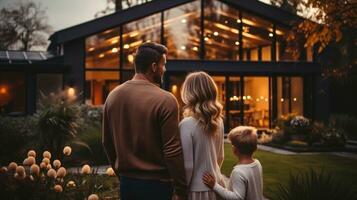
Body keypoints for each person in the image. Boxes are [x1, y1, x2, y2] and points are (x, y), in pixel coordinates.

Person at [102, 42, 187, 200]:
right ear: (154, 67)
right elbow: (172, 151)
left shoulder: (113, 96)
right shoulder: (166, 100)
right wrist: (182, 190)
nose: (165, 70)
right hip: (159, 187)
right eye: (164, 65)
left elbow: (107, 142)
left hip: (127, 185)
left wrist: (122, 175)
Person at [179, 71, 225, 200]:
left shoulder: (186, 124)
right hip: (217, 186)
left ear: (188, 93)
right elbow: (220, 156)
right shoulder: (219, 121)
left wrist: (181, 191)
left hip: (195, 191)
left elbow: (187, 165)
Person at [203, 126, 263, 200]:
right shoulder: (257, 164)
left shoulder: (238, 172)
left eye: (232, 144)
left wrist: (214, 186)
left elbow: (236, 197)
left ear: (235, 150)